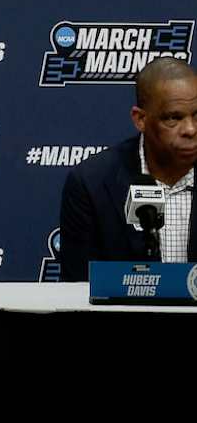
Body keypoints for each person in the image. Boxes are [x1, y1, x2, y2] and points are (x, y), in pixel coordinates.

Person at [59, 57, 197, 281]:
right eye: (173, 118)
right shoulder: (92, 184)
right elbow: (80, 288)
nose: (190, 129)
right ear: (140, 119)